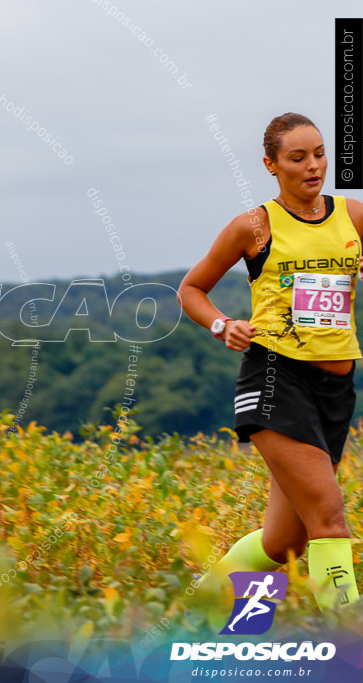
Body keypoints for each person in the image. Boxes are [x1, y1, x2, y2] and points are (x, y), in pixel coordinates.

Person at [178, 112, 362, 611]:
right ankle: (351, 641)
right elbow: (191, 289)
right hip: (276, 377)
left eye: (320, 154)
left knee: (285, 542)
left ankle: (210, 614)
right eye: (298, 158)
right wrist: (223, 324)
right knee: (329, 519)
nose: (313, 166)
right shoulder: (253, 226)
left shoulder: (354, 216)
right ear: (271, 165)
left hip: (337, 389)